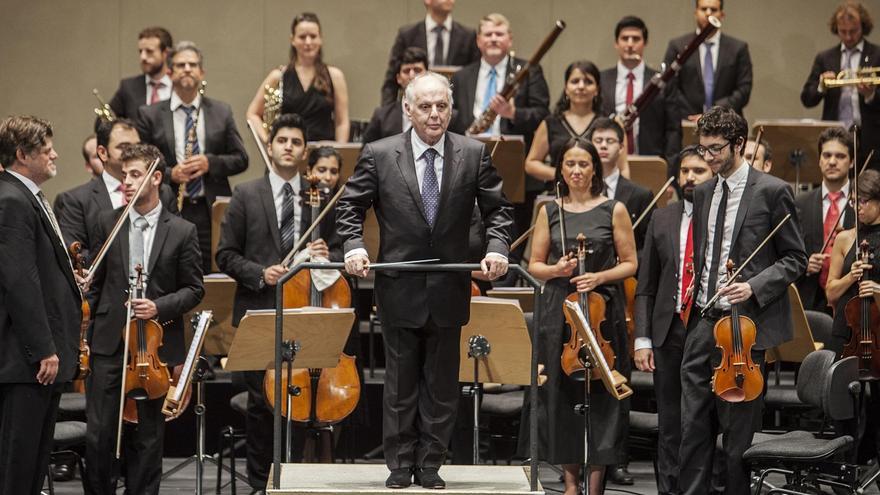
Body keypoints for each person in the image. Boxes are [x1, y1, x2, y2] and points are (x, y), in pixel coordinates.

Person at [336, 72, 513, 489]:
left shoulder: (474, 153)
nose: (435, 114)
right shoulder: (379, 154)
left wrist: (497, 248)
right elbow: (349, 207)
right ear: (408, 110)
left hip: (450, 287)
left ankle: (431, 465)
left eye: (442, 106)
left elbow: (499, 212)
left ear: (451, 109)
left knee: (441, 386)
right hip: (399, 287)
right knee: (399, 386)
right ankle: (399, 467)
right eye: (426, 106)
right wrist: (354, 246)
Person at [681, 106, 806, 495]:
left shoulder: (771, 190)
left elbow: (795, 259)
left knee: (737, 439)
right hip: (704, 323)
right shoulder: (703, 192)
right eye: (702, 150)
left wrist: (754, 285)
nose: (708, 158)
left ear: (739, 144)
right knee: (693, 430)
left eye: (716, 149)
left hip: (744, 328)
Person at [216, 114, 340, 491]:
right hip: (260, 307)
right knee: (261, 404)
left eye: (296, 142)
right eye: (281, 140)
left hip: (306, 310)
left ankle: (297, 479)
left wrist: (325, 251)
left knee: (300, 404)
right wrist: (259, 272)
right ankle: (260, 483)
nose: (288, 146)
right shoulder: (245, 195)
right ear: (270, 147)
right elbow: (225, 254)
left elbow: (337, 252)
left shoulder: (317, 194)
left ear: (304, 152)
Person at [84, 143, 203, 495]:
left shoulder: (182, 230)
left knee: (149, 439)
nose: (128, 183)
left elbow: (194, 289)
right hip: (109, 340)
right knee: (100, 435)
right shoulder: (107, 221)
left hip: (156, 345)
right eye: (124, 176)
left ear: (157, 179)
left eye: (136, 175)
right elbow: (97, 283)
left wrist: (158, 307)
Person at [520, 137, 637, 495]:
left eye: (583, 164)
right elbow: (535, 265)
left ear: (594, 168)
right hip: (561, 313)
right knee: (561, 396)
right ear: (560, 169)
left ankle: (596, 483)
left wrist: (599, 276)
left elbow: (632, 263)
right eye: (569, 164)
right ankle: (571, 483)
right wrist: (557, 270)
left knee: (603, 398)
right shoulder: (548, 210)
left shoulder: (614, 209)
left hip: (601, 311)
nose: (576, 171)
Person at [0, 115, 82, 495]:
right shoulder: (11, 199)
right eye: (46, 149)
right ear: (22, 154)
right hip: (25, 360)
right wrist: (43, 348)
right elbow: (18, 281)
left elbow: (38, 274)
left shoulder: (26, 195)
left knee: (33, 465)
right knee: (18, 467)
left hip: (34, 358)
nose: (55, 154)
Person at [634, 145, 714, 495]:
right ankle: (668, 490)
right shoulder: (662, 217)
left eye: (699, 170)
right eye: (684, 171)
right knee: (670, 422)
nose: (690, 177)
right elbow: (645, 285)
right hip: (669, 330)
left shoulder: (720, 216)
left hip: (709, 329)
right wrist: (642, 338)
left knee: (704, 420)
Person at [137, 41, 249, 274]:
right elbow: (141, 164)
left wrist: (211, 163)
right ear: (170, 72)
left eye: (193, 64)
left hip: (211, 209)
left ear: (202, 72)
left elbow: (241, 158)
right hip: (171, 206)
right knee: (173, 270)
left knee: (214, 272)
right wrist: (170, 174)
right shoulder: (149, 115)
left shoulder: (221, 111)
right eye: (180, 65)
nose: (187, 69)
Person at [56, 119, 178, 264]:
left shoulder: (162, 191)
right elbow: (76, 254)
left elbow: (176, 242)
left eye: (137, 146)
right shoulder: (74, 200)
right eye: (124, 147)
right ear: (103, 153)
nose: (133, 153)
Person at [824, 169, 880, 471]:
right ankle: (843, 468)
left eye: (865, 202)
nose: (858, 208)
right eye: (855, 202)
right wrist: (851, 276)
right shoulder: (846, 238)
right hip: (846, 332)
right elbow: (831, 292)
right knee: (845, 405)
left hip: (879, 332)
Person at [247, 12, 350, 143]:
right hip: (289, 154)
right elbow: (252, 113)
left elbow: (342, 122)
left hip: (322, 158)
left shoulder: (335, 76)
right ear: (292, 40)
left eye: (313, 36)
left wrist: (338, 155)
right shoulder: (278, 77)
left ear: (321, 39)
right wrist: (269, 141)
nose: (308, 42)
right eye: (302, 37)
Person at [801, 2, 880, 171]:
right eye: (842, 32)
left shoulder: (877, 54)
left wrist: (870, 95)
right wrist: (822, 86)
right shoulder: (825, 58)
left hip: (871, 137)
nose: (848, 37)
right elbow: (807, 99)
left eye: (853, 31)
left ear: (863, 27)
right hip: (835, 136)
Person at [600, 16, 682, 175]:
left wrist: (669, 173)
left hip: (651, 163)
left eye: (636, 39)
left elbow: (673, 130)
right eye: (625, 39)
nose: (630, 44)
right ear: (616, 43)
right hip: (609, 165)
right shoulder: (601, 80)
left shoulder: (662, 81)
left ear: (645, 43)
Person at [796, 127, 856, 313]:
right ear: (819, 160)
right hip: (809, 300)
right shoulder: (799, 203)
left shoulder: (864, 203)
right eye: (827, 155)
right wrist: (804, 265)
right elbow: (785, 253)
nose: (832, 161)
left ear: (852, 162)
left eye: (840, 156)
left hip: (852, 302)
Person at [662, 0, 753, 119]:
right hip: (687, 121)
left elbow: (744, 89)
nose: (708, 13)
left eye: (714, 10)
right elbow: (669, 85)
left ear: (722, 15)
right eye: (704, 9)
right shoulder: (678, 46)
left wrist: (713, 114)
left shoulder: (738, 48)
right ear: (695, 13)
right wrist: (691, 115)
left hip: (726, 122)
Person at [380, 0, 479, 105]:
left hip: (455, 108)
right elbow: (392, 79)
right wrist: (387, 115)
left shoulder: (468, 36)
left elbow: (474, 79)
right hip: (415, 108)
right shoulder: (407, 35)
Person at [525, 61, 603, 183]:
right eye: (575, 81)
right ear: (566, 88)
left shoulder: (607, 124)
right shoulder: (550, 123)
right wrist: (561, 174)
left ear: (597, 89)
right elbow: (531, 163)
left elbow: (620, 167)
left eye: (588, 82)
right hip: (558, 193)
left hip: (598, 193)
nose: (581, 86)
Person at [588, 117, 653, 248]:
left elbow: (650, 247)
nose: (603, 145)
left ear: (621, 147)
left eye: (610, 141)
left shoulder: (641, 195)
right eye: (598, 141)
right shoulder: (580, 191)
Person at [104, 27, 174, 121]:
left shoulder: (178, 85)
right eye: (140, 51)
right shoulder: (129, 88)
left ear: (166, 53)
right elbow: (103, 120)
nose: (143, 57)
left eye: (149, 51)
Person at [364, 47, 428, 143]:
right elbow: (366, 155)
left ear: (427, 74)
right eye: (406, 71)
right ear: (398, 78)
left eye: (417, 70)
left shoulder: (446, 116)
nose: (412, 76)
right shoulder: (382, 116)